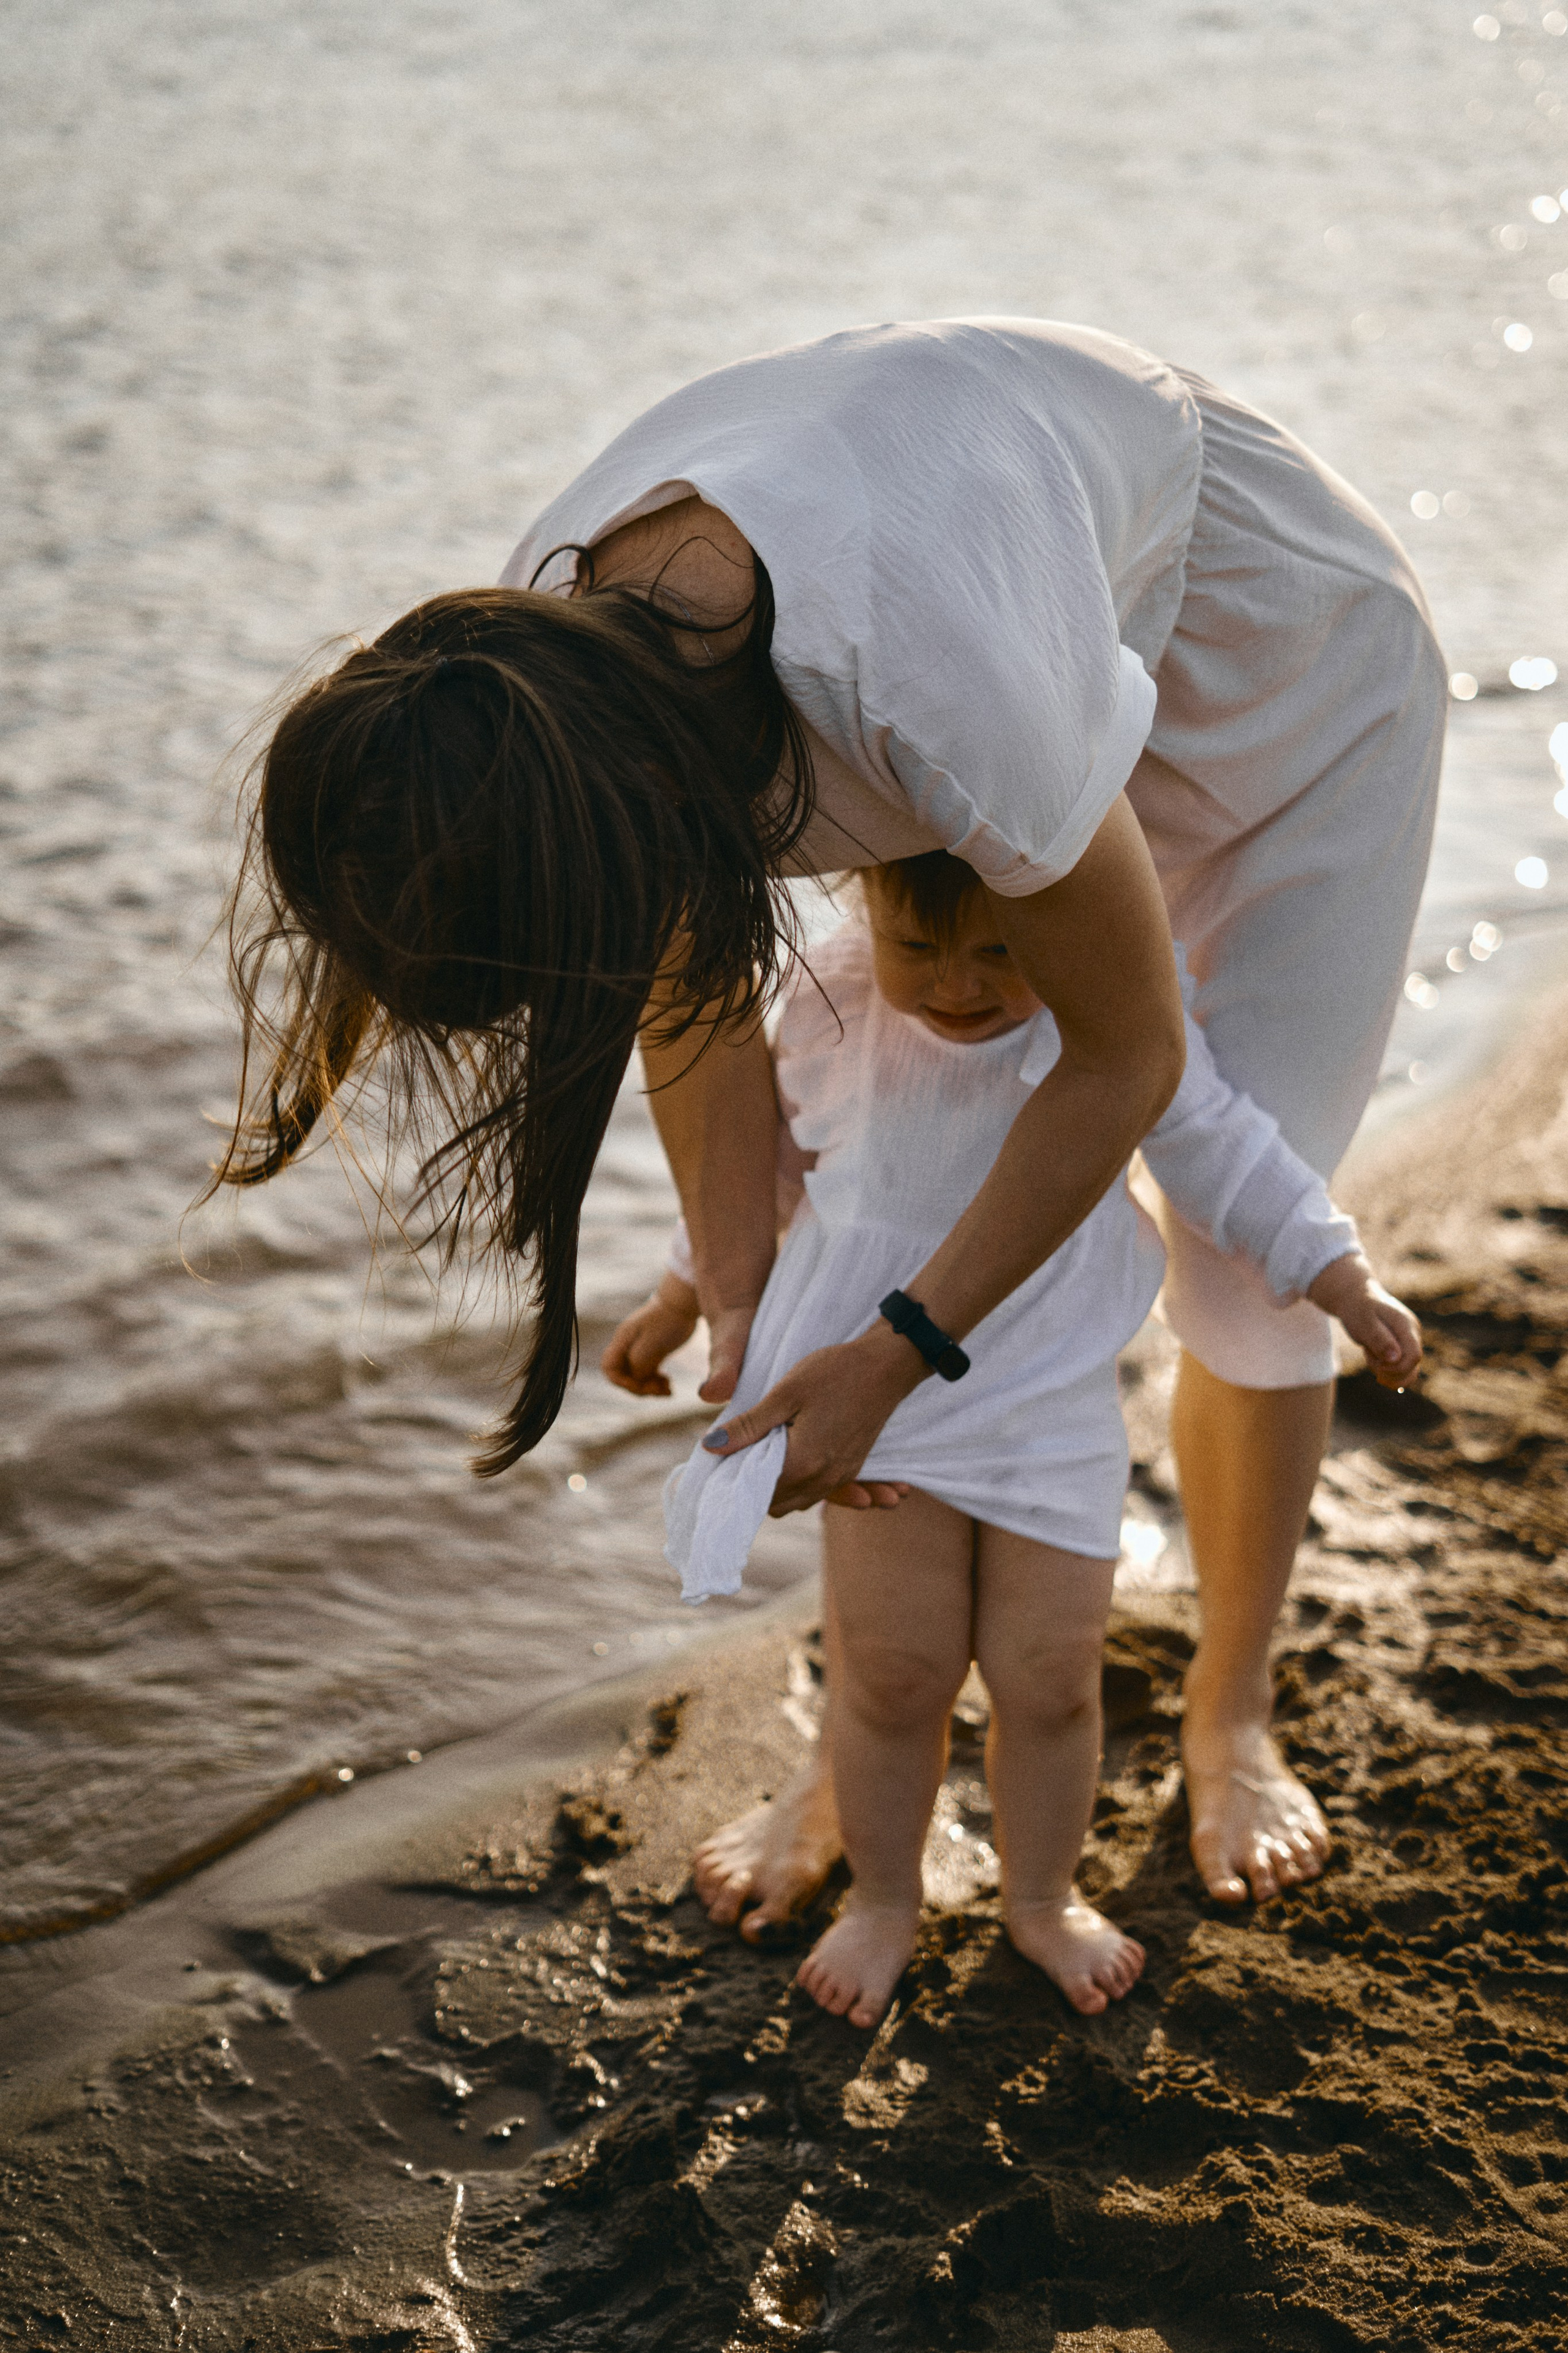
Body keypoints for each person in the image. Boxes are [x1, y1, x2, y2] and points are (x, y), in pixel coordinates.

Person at [211, 318, 1445, 1915]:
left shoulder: (922, 688)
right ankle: (867, 1739)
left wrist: (900, 1346)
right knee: (865, 1191)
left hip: (1278, 678)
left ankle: (1232, 1708)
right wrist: (746, 1302)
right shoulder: (523, 670)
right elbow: (690, 981)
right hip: (1040, 647)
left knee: (1234, 1240)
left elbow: (1125, 1058)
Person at [608, 855, 1421, 2025]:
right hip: (882, 1418)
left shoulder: (1098, 1008)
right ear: (864, 900)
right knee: (893, 1673)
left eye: (1000, 949)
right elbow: (760, 1170)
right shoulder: (831, 1007)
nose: (960, 985)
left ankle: (1041, 1897)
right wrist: (684, 1294)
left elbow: (1226, 1151)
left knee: (1051, 1676)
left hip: (1049, 1409)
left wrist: (1338, 1274)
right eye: (921, 946)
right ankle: (885, 1898)